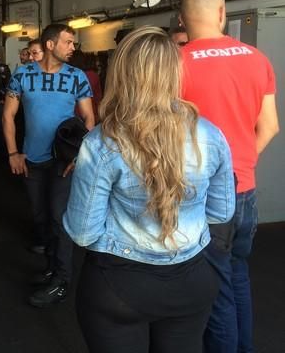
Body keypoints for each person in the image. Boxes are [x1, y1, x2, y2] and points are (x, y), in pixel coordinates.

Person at [64, 26, 235, 353]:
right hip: (192, 283)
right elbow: (221, 213)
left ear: (123, 73)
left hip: (119, 287)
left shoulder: (102, 142)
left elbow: (84, 232)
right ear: (174, 72)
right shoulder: (211, 135)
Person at [179, 0, 279, 353]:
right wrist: (240, 166)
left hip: (201, 195)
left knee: (214, 290)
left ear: (182, 19)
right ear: (222, 14)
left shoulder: (176, 62)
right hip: (245, 189)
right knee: (236, 277)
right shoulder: (257, 58)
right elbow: (270, 126)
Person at [3, 24, 95, 307]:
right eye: (68, 42)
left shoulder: (77, 76)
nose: (73, 47)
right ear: (51, 45)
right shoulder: (23, 74)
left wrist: (80, 157)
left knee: (58, 218)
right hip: (31, 158)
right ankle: (51, 268)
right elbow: (8, 116)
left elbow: (90, 119)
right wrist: (13, 153)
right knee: (40, 217)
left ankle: (62, 280)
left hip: (63, 162)